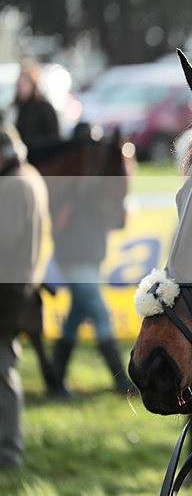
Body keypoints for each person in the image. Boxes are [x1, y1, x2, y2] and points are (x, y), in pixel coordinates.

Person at [49, 161, 132, 397]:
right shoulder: (69, 187)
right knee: (99, 314)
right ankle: (120, 381)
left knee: (75, 318)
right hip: (75, 259)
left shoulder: (97, 187)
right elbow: (57, 226)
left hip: (90, 259)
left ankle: (55, 379)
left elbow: (119, 222)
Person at [0, 119, 48, 468]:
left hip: (7, 292)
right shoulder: (29, 175)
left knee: (3, 373)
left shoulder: (13, 185)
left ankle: (8, 452)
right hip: (18, 289)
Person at [12, 59, 60, 148]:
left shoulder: (45, 108)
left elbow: (54, 138)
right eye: (20, 85)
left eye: (25, 84)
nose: (21, 88)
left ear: (33, 84)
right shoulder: (19, 108)